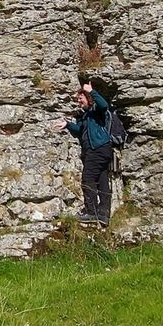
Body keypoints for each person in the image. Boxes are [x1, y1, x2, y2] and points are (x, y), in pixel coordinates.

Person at [51, 83, 117, 225]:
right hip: (102, 150)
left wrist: (91, 91)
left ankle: (91, 212)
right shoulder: (86, 116)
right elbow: (80, 130)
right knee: (102, 180)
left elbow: (104, 105)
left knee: (88, 178)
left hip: (98, 149)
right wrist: (67, 124)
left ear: (88, 98)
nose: (78, 102)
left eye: (81, 98)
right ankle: (103, 214)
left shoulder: (97, 111)